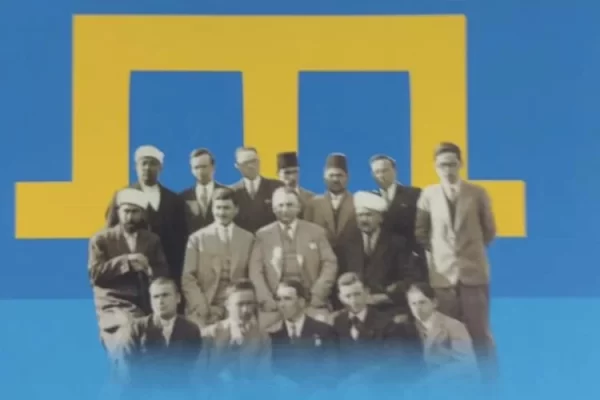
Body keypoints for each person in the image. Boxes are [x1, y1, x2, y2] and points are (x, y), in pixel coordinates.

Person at [414, 142, 497, 373]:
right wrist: (441, 254)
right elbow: (421, 232)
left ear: (461, 164)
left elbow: (489, 230)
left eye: (452, 164)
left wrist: (470, 252)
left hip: (473, 275)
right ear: (435, 167)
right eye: (443, 165)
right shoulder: (428, 195)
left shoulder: (477, 193)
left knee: (479, 333)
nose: (448, 170)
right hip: (442, 278)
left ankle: (488, 382)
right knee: (445, 334)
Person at [89, 188, 169, 361]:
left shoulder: (152, 240)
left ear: (142, 214)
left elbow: (162, 272)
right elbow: (95, 274)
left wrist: (150, 271)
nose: (129, 217)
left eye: (135, 212)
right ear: (118, 212)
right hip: (114, 303)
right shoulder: (101, 240)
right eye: (126, 211)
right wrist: (126, 261)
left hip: (145, 303)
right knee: (130, 332)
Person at [249, 187, 338, 327]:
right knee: (265, 332)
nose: (284, 210)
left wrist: (318, 294)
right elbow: (255, 270)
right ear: (273, 209)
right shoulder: (263, 235)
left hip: (309, 300)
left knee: (322, 329)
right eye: (280, 205)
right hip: (275, 302)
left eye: (289, 205)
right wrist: (266, 299)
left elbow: (330, 263)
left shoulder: (316, 232)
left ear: (298, 207)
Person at [105, 145, 188, 287]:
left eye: (152, 163)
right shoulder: (122, 195)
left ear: (160, 167)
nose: (147, 168)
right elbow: (110, 231)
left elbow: (182, 237)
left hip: (166, 271)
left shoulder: (174, 199)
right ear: (136, 167)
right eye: (143, 163)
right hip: (131, 273)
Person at [181, 187, 254, 327]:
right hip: (204, 305)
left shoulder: (248, 238)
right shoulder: (197, 238)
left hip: (238, 306)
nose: (221, 213)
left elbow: (252, 275)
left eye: (226, 208)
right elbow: (188, 278)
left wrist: (235, 306)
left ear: (236, 210)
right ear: (212, 209)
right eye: (218, 208)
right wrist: (202, 307)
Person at [332, 273, 422, 385]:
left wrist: (362, 379)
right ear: (340, 298)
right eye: (348, 296)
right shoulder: (338, 322)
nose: (353, 301)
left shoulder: (386, 323)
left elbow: (393, 362)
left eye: (357, 294)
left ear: (366, 292)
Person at [303, 153, 363, 310]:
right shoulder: (313, 204)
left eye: (340, 175)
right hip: (321, 267)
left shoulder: (358, 201)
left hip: (350, 266)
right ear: (324, 178)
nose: (336, 179)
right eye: (331, 175)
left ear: (347, 178)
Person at [120, 278, 203, 390]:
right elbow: (129, 369)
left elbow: (189, 369)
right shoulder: (137, 328)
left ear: (178, 298)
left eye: (165, 295)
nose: (160, 301)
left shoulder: (191, 330)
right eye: (155, 297)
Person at [351, 191, 421, 320]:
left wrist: (387, 296)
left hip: (389, 308)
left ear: (381, 218)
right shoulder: (348, 243)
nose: (364, 220)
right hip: (355, 307)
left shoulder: (398, 243)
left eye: (369, 215)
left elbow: (412, 278)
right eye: (360, 215)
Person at [200, 279, 272, 386]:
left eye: (250, 303)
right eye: (240, 304)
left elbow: (264, 377)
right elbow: (199, 375)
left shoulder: (262, 337)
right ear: (227, 305)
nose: (246, 310)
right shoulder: (209, 334)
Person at [268, 280, 337, 389]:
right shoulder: (272, 335)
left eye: (287, 299)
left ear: (301, 302)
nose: (282, 305)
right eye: (278, 299)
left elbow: (331, 369)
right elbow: (270, 372)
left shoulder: (324, 331)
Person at [369, 154, 428, 282]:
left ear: (395, 171)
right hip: (382, 264)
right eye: (377, 172)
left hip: (410, 261)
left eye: (385, 170)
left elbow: (425, 227)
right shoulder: (369, 199)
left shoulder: (414, 194)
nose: (381, 175)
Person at [405, 282, 478, 382]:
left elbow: (466, 364)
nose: (417, 308)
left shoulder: (454, 326)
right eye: (413, 304)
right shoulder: (409, 328)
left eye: (422, 302)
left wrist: (431, 379)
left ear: (434, 303)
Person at [230, 147, 284, 233]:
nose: (251, 166)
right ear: (237, 166)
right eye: (245, 163)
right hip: (244, 239)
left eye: (254, 161)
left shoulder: (277, 187)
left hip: (271, 237)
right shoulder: (231, 191)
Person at [180, 148, 227, 234]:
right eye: (196, 167)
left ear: (213, 167)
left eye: (204, 166)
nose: (200, 171)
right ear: (191, 170)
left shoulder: (227, 193)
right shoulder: (183, 197)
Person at [276, 151, 315, 218]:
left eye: (295, 172)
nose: (292, 177)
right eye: (287, 173)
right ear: (278, 174)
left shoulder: (311, 198)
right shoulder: (270, 198)